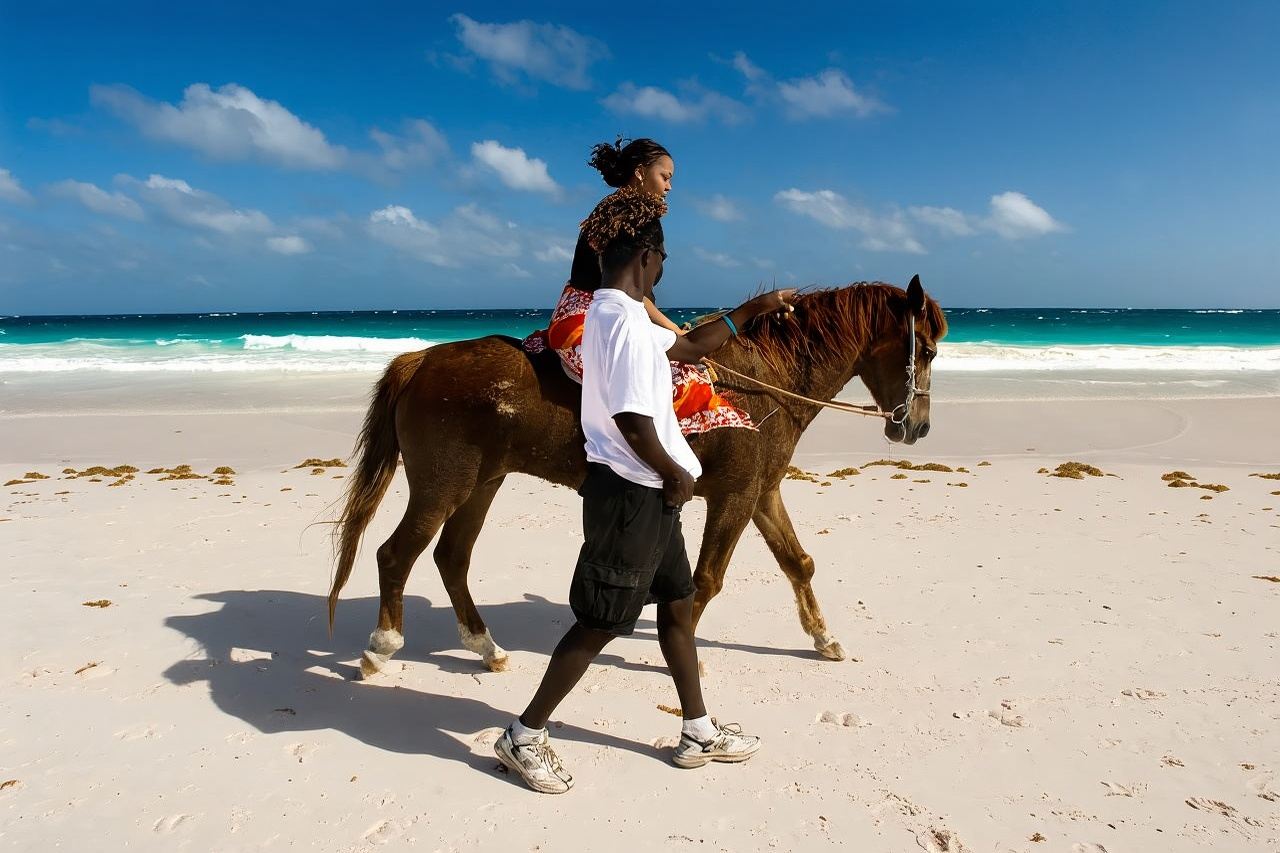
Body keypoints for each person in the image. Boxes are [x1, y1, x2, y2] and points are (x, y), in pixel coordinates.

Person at [496, 186, 797, 794]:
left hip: (649, 493)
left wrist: (752, 308)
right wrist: (676, 474)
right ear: (645, 258)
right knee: (601, 621)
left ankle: (698, 731)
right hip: (632, 492)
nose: (663, 270)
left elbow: (686, 345)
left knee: (679, 606)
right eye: (662, 262)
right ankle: (523, 736)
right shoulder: (627, 327)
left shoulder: (615, 313)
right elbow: (633, 421)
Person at [522, 137, 755, 435]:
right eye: (665, 177)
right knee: (682, 381)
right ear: (641, 172)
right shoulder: (636, 217)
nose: (669, 187)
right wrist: (676, 331)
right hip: (593, 324)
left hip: (574, 316)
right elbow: (634, 296)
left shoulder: (610, 208)